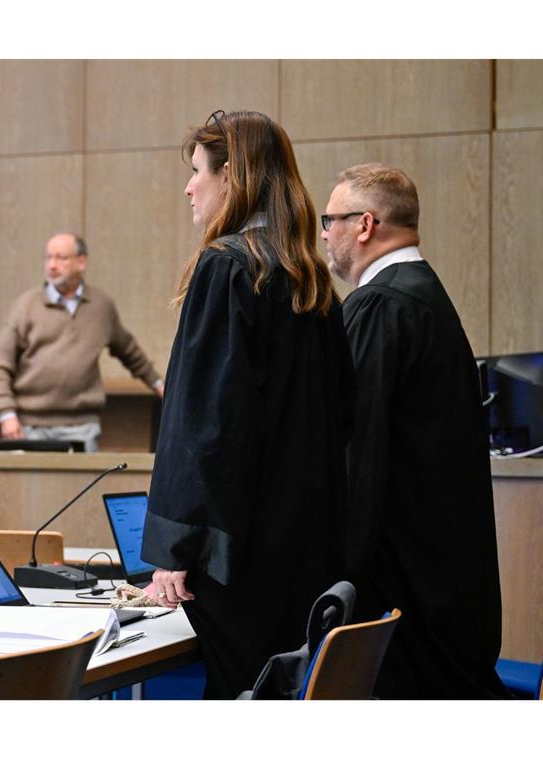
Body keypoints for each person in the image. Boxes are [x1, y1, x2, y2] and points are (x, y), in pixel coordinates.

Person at [140, 110, 353, 699]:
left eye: (196, 172)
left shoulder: (228, 267)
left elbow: (206, 427)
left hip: (242, 561)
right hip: (309, 552)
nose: (188, 187)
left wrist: (177, 551)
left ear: (230, 176)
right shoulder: (310, 281)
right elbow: (341, 420)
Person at [323, 163, 506, 698]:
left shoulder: (381, 304)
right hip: (444, 586)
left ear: (364, 224)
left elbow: (359, 452)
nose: (326, 235)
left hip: (403, 599)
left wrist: (339, 580)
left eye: (329, 220)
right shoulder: (424, 294)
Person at [0, 232, 163, 452]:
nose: (52, 265)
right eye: (48, 258)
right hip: (29, 425)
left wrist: (160, 385)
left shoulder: (101, 306)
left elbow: (130, 352)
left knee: (81, 488)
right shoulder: (25, 306)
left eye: (61, 258)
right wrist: (6, 415)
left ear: (81, 262)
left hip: (82, 427)